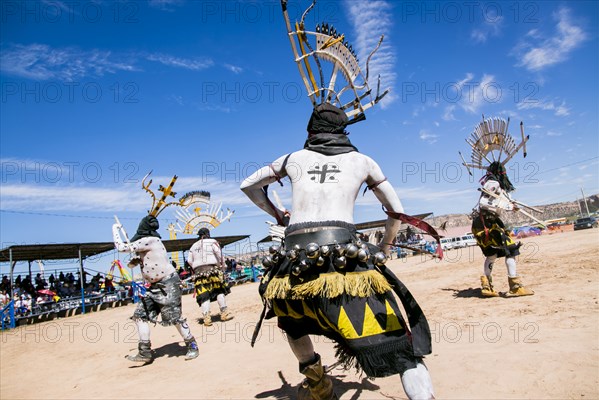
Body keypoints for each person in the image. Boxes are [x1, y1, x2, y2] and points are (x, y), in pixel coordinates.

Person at [240, 103, 435, 400]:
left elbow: (248, 185)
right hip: (343, 264)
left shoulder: (293, 158)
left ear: (309, 130)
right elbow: (397, 211)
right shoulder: (363, 161)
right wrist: (383, 248)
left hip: (293, 265)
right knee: (400, 346)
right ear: (344, 130)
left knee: (293, 323)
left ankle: (317, 382)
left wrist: (281, 216)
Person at [112, 215, 199, 363]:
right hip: (153, 287)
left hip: (168, 284)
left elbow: (121, 247)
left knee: (175, 317)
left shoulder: (150, 240)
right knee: (140, 315)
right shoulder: (148, 244)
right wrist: (137, 261)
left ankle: (192, 345)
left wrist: (115, 229)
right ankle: (144, 351)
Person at [472, 161, 534, 297]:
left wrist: (512, 206)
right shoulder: (493, 184)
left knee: (492, 255)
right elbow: (484, 202)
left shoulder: (498, 186)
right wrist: (507, 206)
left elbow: (502, 202)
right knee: (510, 251)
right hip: (487, 224)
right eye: (503, 171)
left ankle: (487, 286)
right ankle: (515, 287)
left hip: (488, 222)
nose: (505, 174)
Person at [187, 227, 233, 326]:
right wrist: (223, 266)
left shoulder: (193, 246)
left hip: (199, 274)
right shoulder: (212, 242)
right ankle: (224, 313)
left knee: (204, 296)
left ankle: (207, 318)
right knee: (219, 291)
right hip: (213, 270)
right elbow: (219, 255)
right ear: (208, 233)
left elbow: (189, 261)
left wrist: (197, 268)